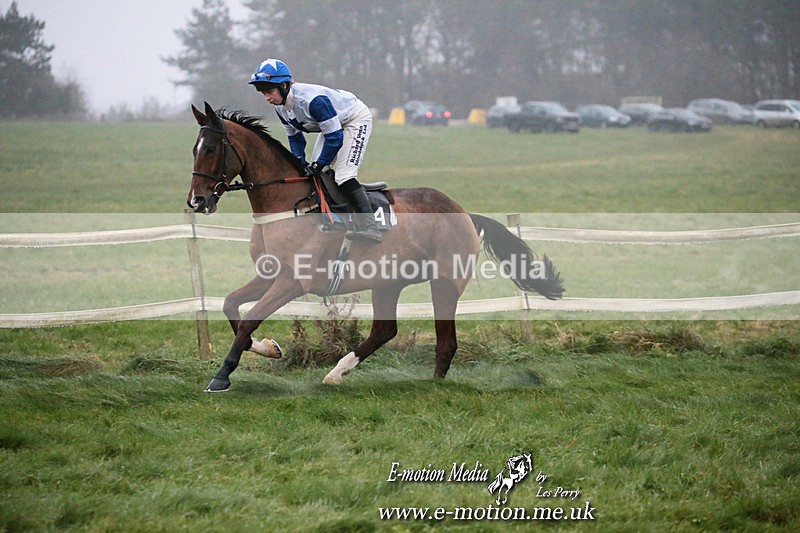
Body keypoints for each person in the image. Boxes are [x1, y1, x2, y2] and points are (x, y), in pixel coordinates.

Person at [248, 58, 382, 243]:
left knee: (343, 176)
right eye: (263, 93)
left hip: (354, 119)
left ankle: (370, 226)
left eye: (270, 91)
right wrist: (300, 161)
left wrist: (318, 164)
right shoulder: (280, 107)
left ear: (285, 86)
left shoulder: (312, 101)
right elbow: (295, 137)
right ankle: (337, 215)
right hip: (334, 124)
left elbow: (335, 138)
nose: (267, 98)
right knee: (318, 173)